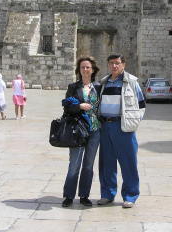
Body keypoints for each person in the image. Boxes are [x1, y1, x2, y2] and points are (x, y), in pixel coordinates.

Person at [97, 54, 145, 209]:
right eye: (111, 63)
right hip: (105, 127)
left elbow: (141, 105)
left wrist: (133, 122)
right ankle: (107, 194)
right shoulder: (104, 83)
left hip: (123, 127)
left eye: (117, 63)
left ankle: (130, 196)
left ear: (123, 64)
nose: (114, 66)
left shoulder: (131, 82)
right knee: (106, 164)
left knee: (128, 163)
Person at [61, 56, 101, 208]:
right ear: (79, 70)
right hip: (78, 129)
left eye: (88, 67)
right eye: (82, 67)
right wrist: (79, 106)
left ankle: (84, 195)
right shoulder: (73, 87)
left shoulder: (98, 87)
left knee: (89, 165)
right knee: (74, 164)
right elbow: (66, 106)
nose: (85, 70)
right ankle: (69, 196)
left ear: (92, 70)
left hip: (95, 130)